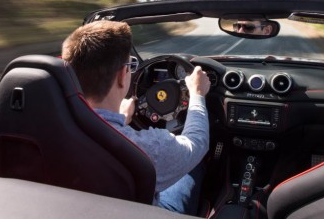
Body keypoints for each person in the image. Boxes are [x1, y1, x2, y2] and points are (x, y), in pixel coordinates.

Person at [61, 20, 211, 215]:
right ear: (123, 75)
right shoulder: (150, 147)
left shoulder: (52, 126)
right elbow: (197, 143)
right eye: (131, 65)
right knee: (192, 166)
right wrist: (197, 93)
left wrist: (121, 118)